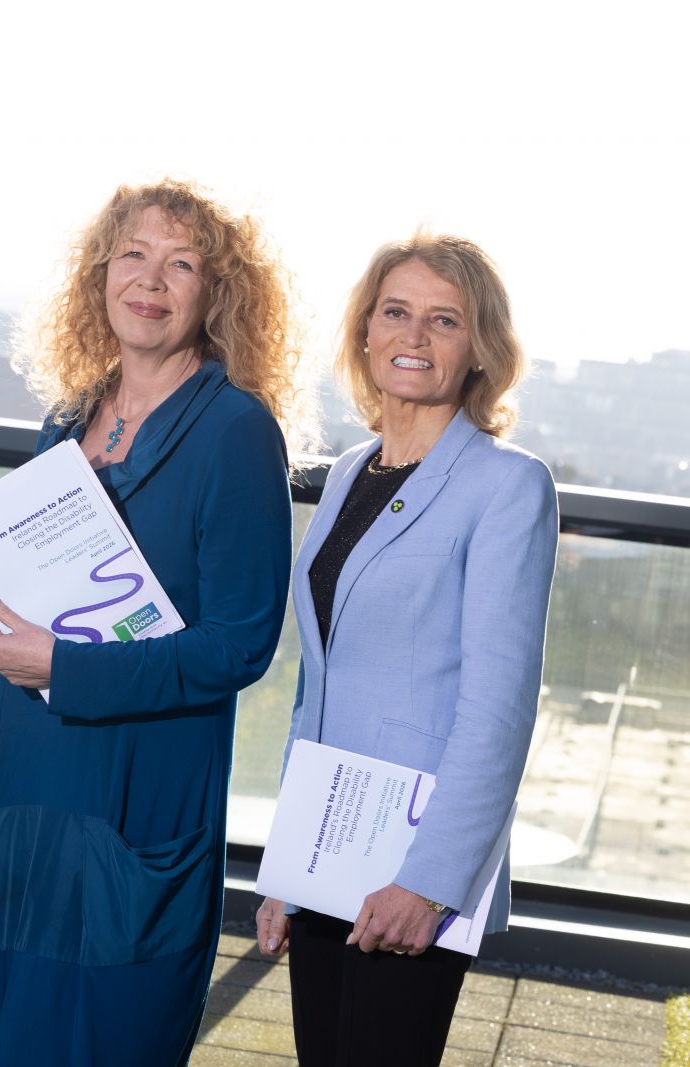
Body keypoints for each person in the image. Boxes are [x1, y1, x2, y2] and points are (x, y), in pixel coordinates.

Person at [0, 180, 307, 1065]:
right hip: (24, 799)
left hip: (137, 810)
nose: (151, 279)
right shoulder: (65, 421)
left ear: (214, 293)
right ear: (100, 275)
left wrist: (66, 669)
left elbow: (241, 641)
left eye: (180, 263)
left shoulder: (235, 432)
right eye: (134, 255)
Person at [255, 234, 558, 1067]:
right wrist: (289, 861)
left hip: (413, 867)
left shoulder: (509, 485)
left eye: (444, 319)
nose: (414, 336)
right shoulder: (353, 469)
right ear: (364, 330)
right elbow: (320, 686)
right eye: (396, 312)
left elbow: (497, 710)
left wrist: (430, 880)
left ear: (480, 348)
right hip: (329, 851)